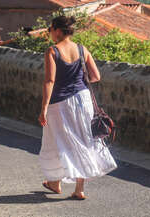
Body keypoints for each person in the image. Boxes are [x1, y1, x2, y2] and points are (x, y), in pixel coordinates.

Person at [38, 15, 117, 200]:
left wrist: (43, 108)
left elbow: (49, 81)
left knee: (57, 140)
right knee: (84, 139)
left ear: (57, 30)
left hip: (60, 103)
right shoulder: (82, 49)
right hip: (83, 99)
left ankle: (54, 182)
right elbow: (96, 76)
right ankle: (79, 189)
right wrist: (78, 82)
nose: (50, 33)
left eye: (50, 29)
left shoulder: (53, 51)